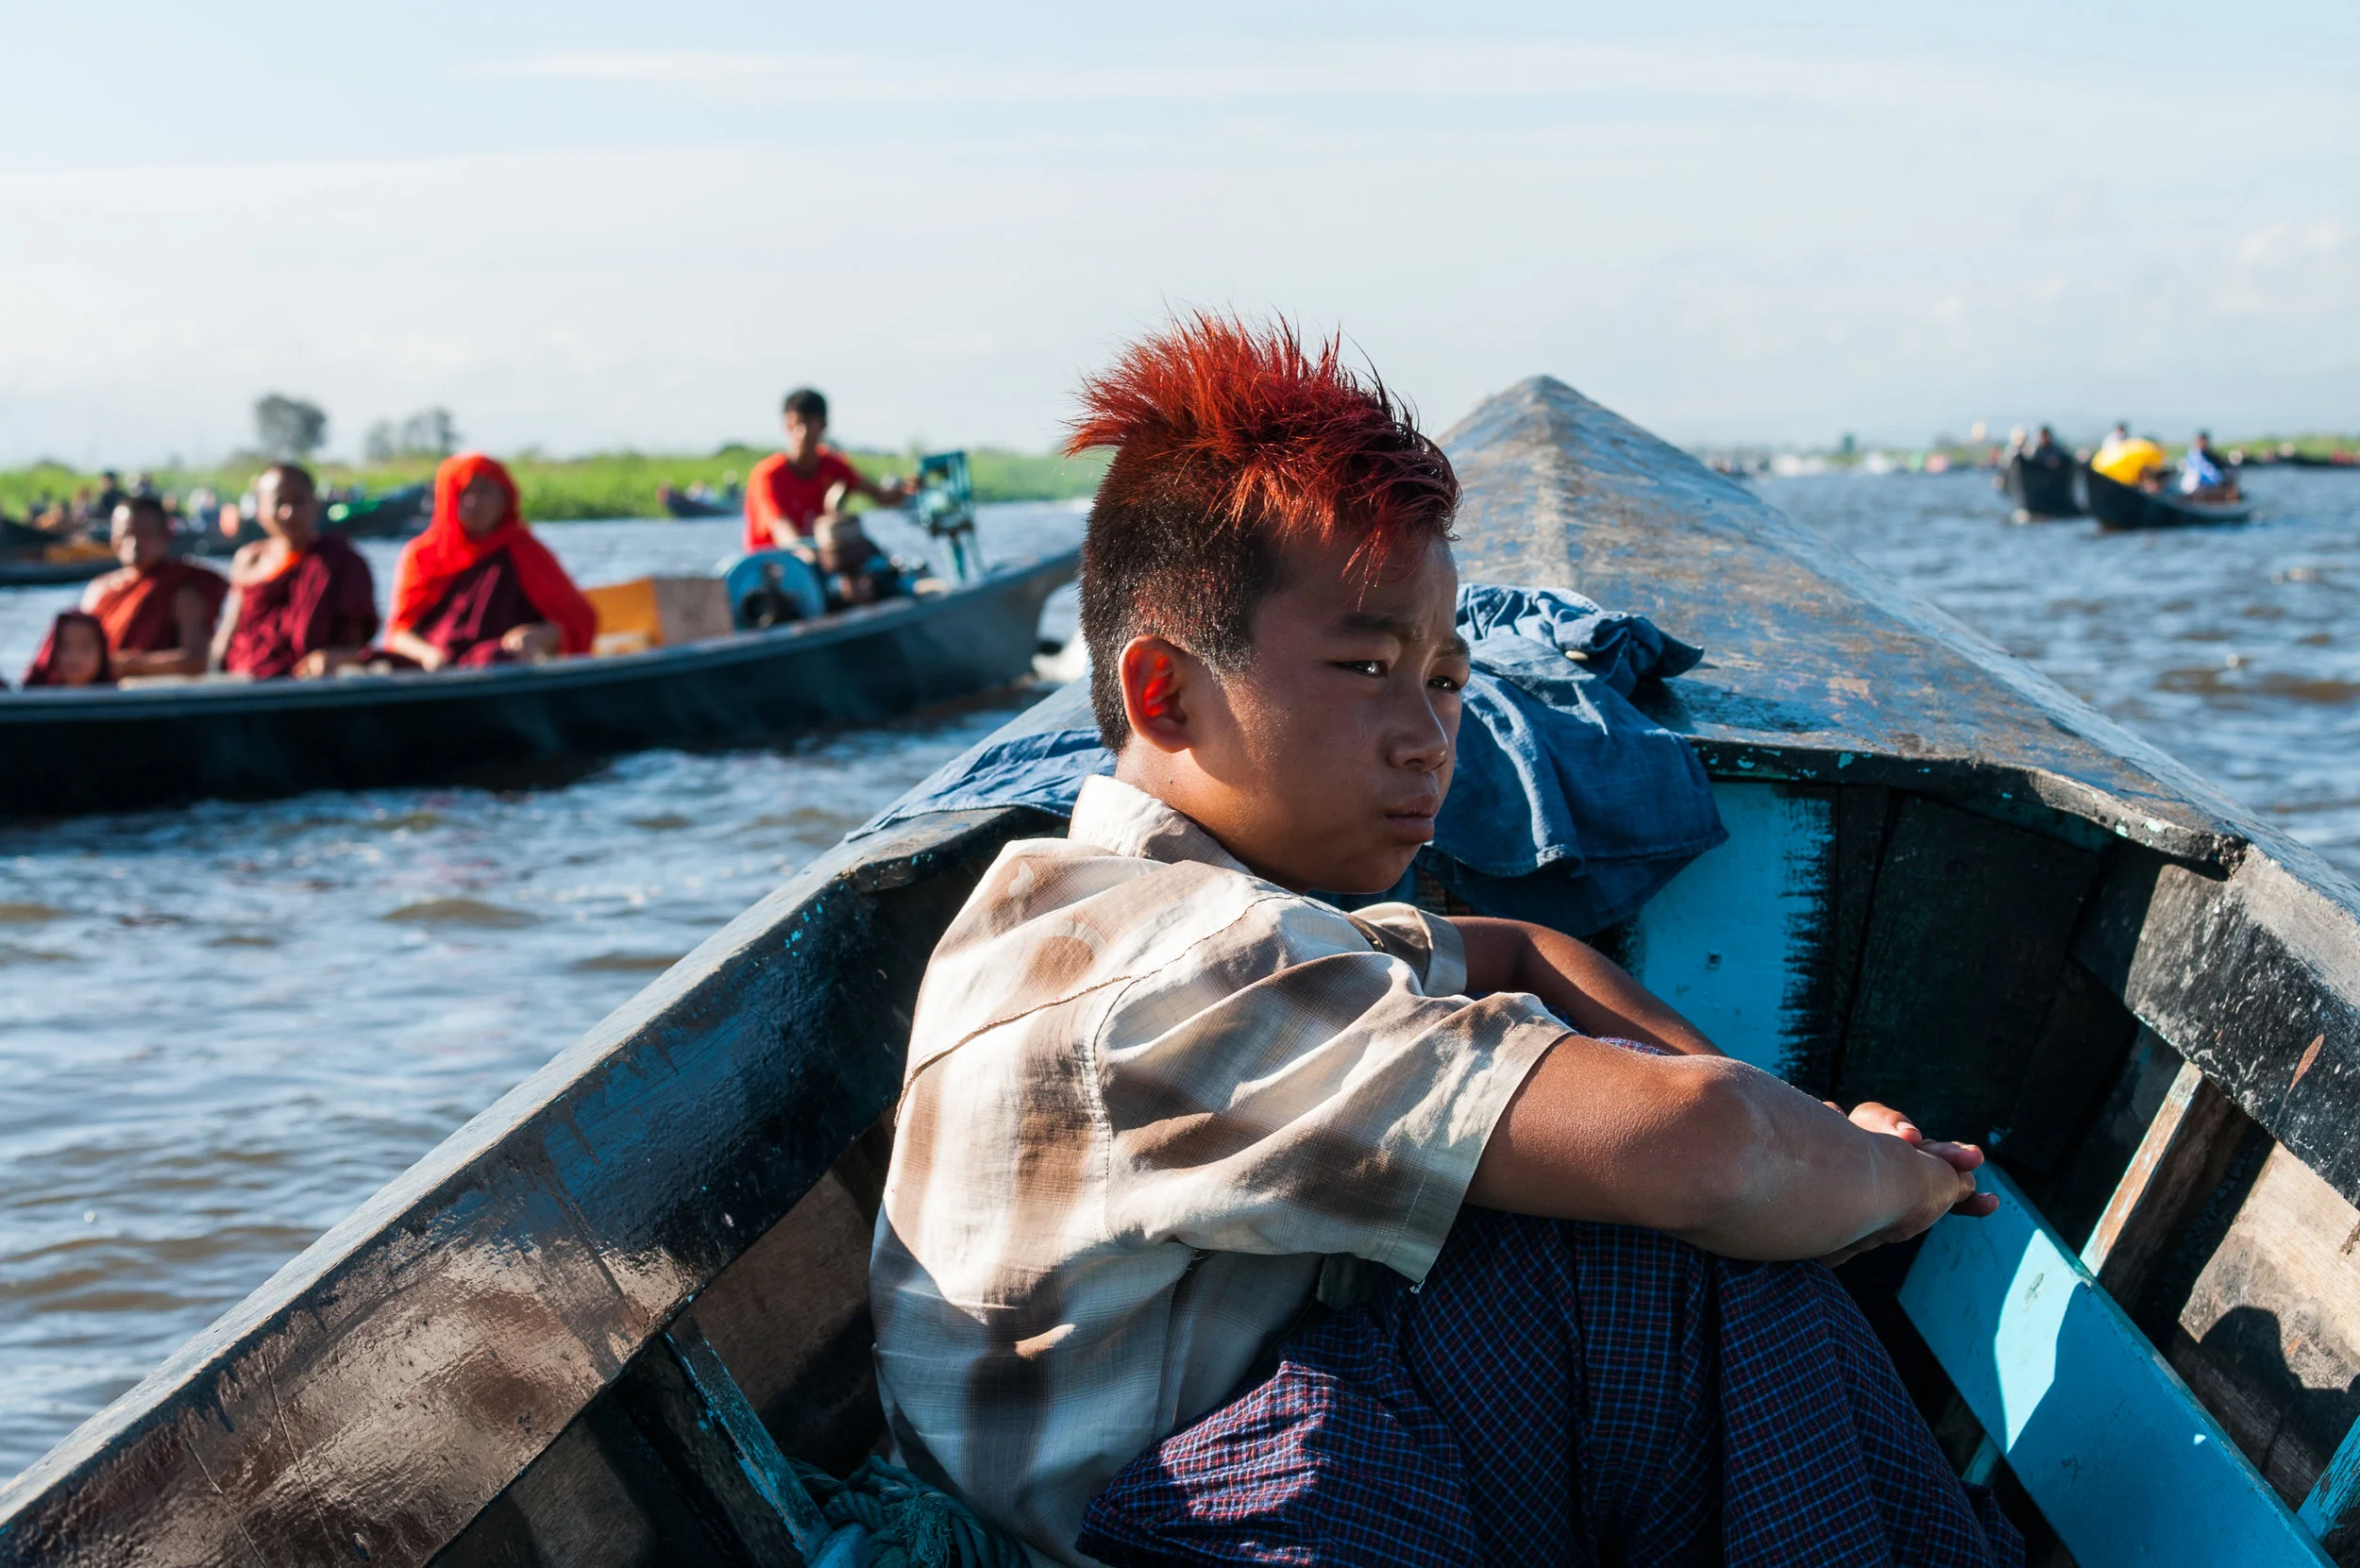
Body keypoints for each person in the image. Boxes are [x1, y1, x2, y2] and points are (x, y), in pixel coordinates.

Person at [869, 316, 2018, 1568]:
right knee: (1655, 1252)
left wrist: (1801, 1133)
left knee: (1668, 1194)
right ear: (1165, 691)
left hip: (1221, 1485)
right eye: (1367, 666)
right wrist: (1898, 1181)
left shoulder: (1121, 902)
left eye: (1447, 679)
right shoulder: (1182, 965)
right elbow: (1709, 1152)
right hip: (1151, 1542)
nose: (1430, 738)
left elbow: (1520, 950)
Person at [380, 452, 596, 671]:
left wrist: (534, 637)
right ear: (448, 498)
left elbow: (578, 621)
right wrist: (428, 655)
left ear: (504, 498)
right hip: (437, 670)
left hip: (501, 666)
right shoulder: (422, 555)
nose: (474, 502)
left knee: (493, 657)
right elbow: (398, 634)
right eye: (464, 492)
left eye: (484, 490)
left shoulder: (526, 550)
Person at [212, 464, 380, 679]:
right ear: (260, 510)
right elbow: (228, 629)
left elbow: (356, 645)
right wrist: (213, 676)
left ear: (315, 505)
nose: (289, 513)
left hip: (308, 683)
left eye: (298, 501)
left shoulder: (340, 561)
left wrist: (331, 657)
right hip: (246, 680)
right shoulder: (249, 559)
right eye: (279, 503)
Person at [743, 387, 914, 554]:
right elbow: (782, 530)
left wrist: (908, 488)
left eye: (810, 424)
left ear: (823, 425)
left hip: (817, 557)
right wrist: (805, 553)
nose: (803, 433)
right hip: (772, 563)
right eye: (798, 424)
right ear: (787, 425)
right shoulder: (767, 475)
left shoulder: (833, 466)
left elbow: (883, 497)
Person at [81, 497, 228, 677]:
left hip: (152, 689)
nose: (133, 544)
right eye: (125, 534)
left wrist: (131, 665)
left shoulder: (180, 589)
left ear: (165, 535)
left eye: (144, 534)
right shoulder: (99, 589)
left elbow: (197, 660)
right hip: (98, 689)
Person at [811, 514, 904, 611]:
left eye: (855, 545)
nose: (850, 554)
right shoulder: (818, 584)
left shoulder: (884, 573)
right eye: (839, 550)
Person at [21, 611, 114, 688]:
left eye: (85, 647)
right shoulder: (32, 698)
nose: (74, 655)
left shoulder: (116, 699)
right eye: (65, 646)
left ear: (101, 653)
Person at [2181, 430, 2241, 504]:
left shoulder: (2208, 454)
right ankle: (2229, 503)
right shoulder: (2195, 455)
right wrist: (2219, 481)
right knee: (2227, 486)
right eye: (2202, 441)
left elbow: (2220, 466)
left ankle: (2229, 503)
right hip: (2197, 486)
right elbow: (2205, 473)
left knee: (2230, 480)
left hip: (2204, 484)